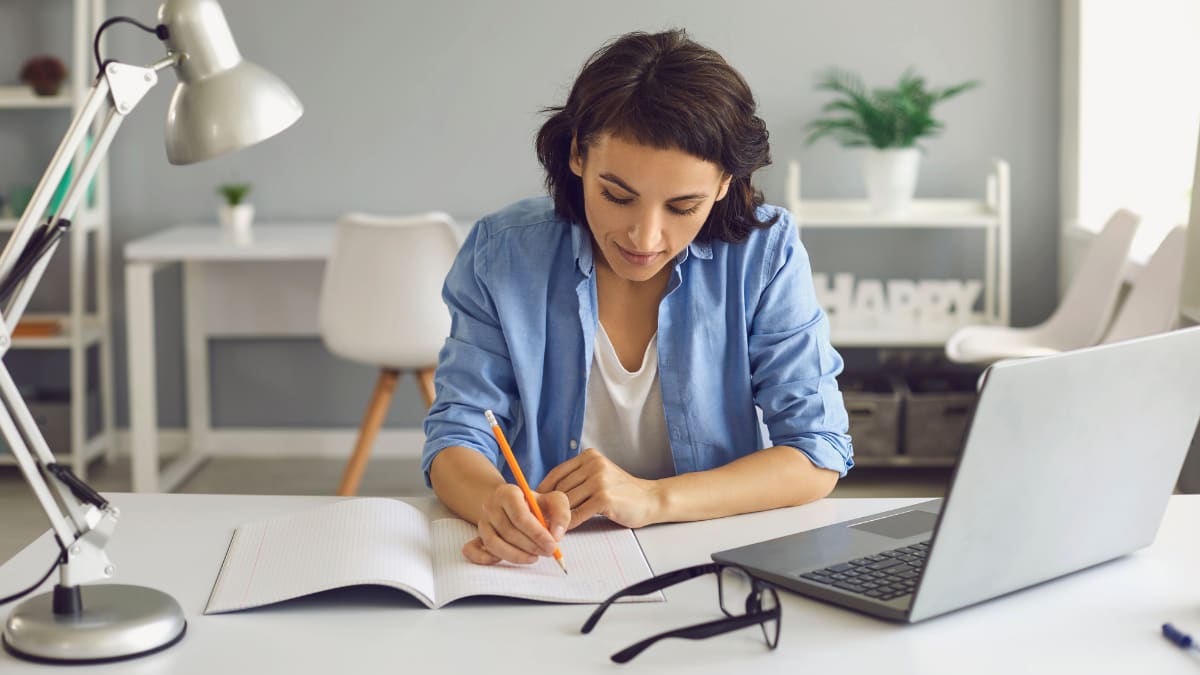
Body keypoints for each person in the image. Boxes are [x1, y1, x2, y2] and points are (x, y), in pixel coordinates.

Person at [422, 29, 853, 567]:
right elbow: (458, 430)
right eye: (617, 196)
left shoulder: (765, 252)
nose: (644, 239)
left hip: (713, 553)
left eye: (682, 207)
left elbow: (817, 453)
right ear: (578, 153)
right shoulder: (503, 252)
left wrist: (651, 499)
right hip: (552, 561)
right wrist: (493, 503)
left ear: (723, 184)